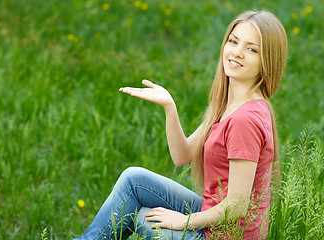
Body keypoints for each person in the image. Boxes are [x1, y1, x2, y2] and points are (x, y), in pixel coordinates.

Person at [73, 10, 287, 240]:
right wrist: (169, 107)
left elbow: (236, 206)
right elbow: (182, 156)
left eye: (251, 49)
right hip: (212, 219)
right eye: (233, 41)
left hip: (224, 236)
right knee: (133, 180)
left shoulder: (245, 119)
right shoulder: (229, 105)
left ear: (267, 61)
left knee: (140, 217)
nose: (236, 52)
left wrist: (184, 222)